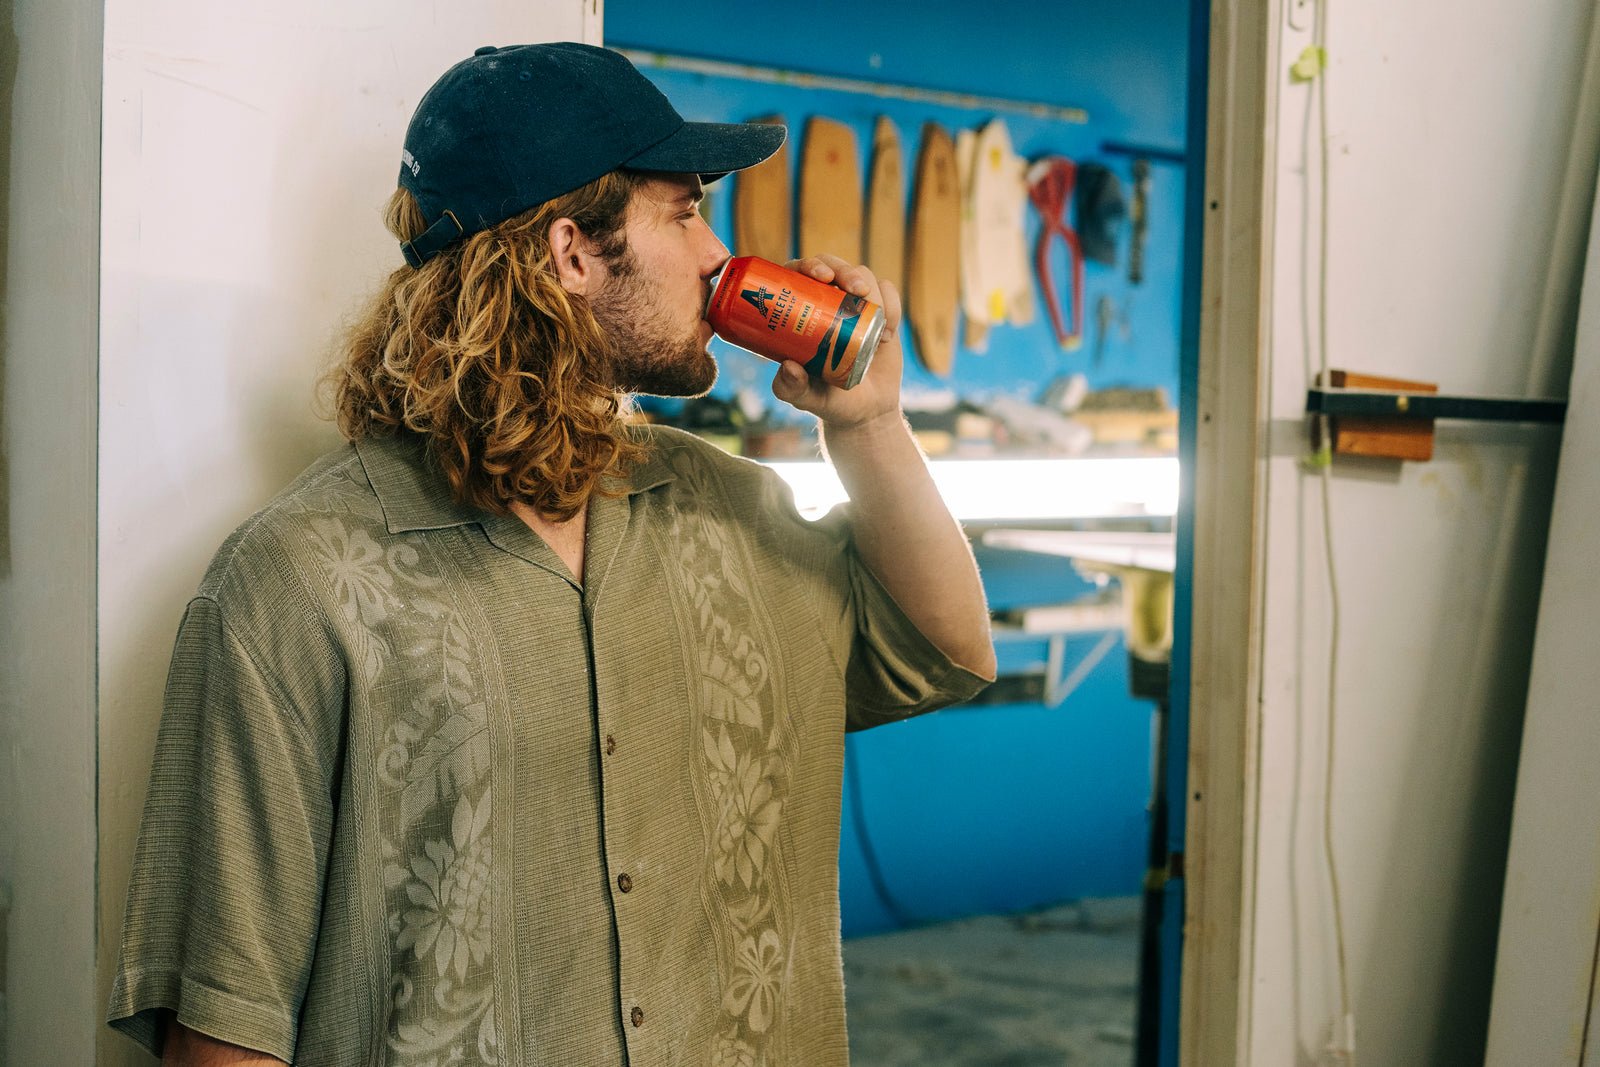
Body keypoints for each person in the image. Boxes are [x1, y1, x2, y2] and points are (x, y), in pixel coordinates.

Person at [107, 42, 994, 1067]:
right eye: (686, 210)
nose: (718, 258)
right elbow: (227, 1024)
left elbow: (948, 650)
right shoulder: (298, 582)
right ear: (573, 251)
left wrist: (869, 424)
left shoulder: (731, 513)